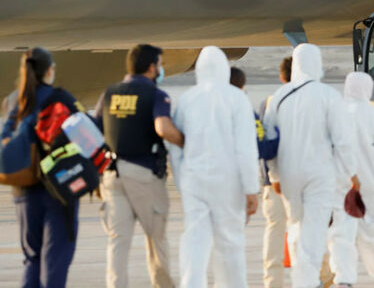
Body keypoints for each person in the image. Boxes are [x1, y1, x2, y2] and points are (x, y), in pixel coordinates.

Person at [262, 44, 356, 288]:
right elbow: (343, 142)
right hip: (319, 174)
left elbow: (269, 138)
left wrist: (274, 176)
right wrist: (348, 176)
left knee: (296, 227)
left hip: (288, 173)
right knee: (315, 228)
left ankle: (303, 278)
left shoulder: (279, 96)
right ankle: (309, 281)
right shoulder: (328, 95)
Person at [168, 47, 260, 288]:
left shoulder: (187, 99)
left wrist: (182, 181)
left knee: (195, 240)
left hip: (194, 179)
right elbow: (246, 148)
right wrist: (252, 188)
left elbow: (176, 148)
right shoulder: (236, 98)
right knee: (229, 243)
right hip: (229, 181)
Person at [95, 44, 183, 288]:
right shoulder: (156, 95)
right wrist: (186, 142)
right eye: (160, 64)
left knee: (118, 242)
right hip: (144, 176)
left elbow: (93, 132)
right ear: (152, 67)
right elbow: (163, 128)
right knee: (156, 240)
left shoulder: (109, 93)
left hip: (112, 175)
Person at [2, 48, 85, 288]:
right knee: (55, 261)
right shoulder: (60, 98)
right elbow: (87, 136)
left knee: (32, 260)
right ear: (49, 70)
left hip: (23, 192)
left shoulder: (13, 100)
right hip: (57, 190)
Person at [327, 72, 374, 287]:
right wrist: (372, 168)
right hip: (369, 181)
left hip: (340, 180)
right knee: (373, 228)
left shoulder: (335, 112)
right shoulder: (373, 114)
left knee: (340, 232)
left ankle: (344, 278)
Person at [259, 57, 291, 288]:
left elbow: (263, 141)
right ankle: (320, 277)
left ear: (281, 77)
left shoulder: (268, 102)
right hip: (302, 179)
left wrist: (271, 177)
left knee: (274, 232)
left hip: (272, 183)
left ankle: (273, 283)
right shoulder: (317, 100)